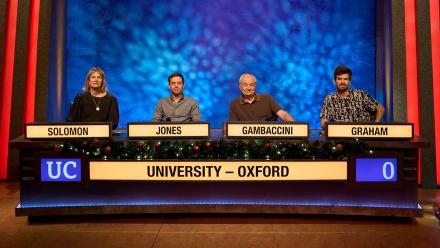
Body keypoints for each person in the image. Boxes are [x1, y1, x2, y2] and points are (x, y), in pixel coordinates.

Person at [320, 65, 385, 128]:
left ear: (349, 81)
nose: (342, 82)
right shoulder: (329, 99)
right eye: (339, 79)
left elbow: (380, 108)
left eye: (345, 79)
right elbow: (324, 120)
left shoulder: (360, 95)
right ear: (334, 81)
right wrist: (329, 128)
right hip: (340, 136)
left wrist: (376, 124)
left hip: (361, 136)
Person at [229, 73, 295, 121]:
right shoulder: (234, 104)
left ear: (255, 86)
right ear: (240, 87)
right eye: (245, 85)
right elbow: (232, 127)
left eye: (251, 85)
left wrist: (296, 128)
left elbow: (283, 114)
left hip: (269, 139)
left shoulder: (267, 98)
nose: (248, 88)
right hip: (246, 139)